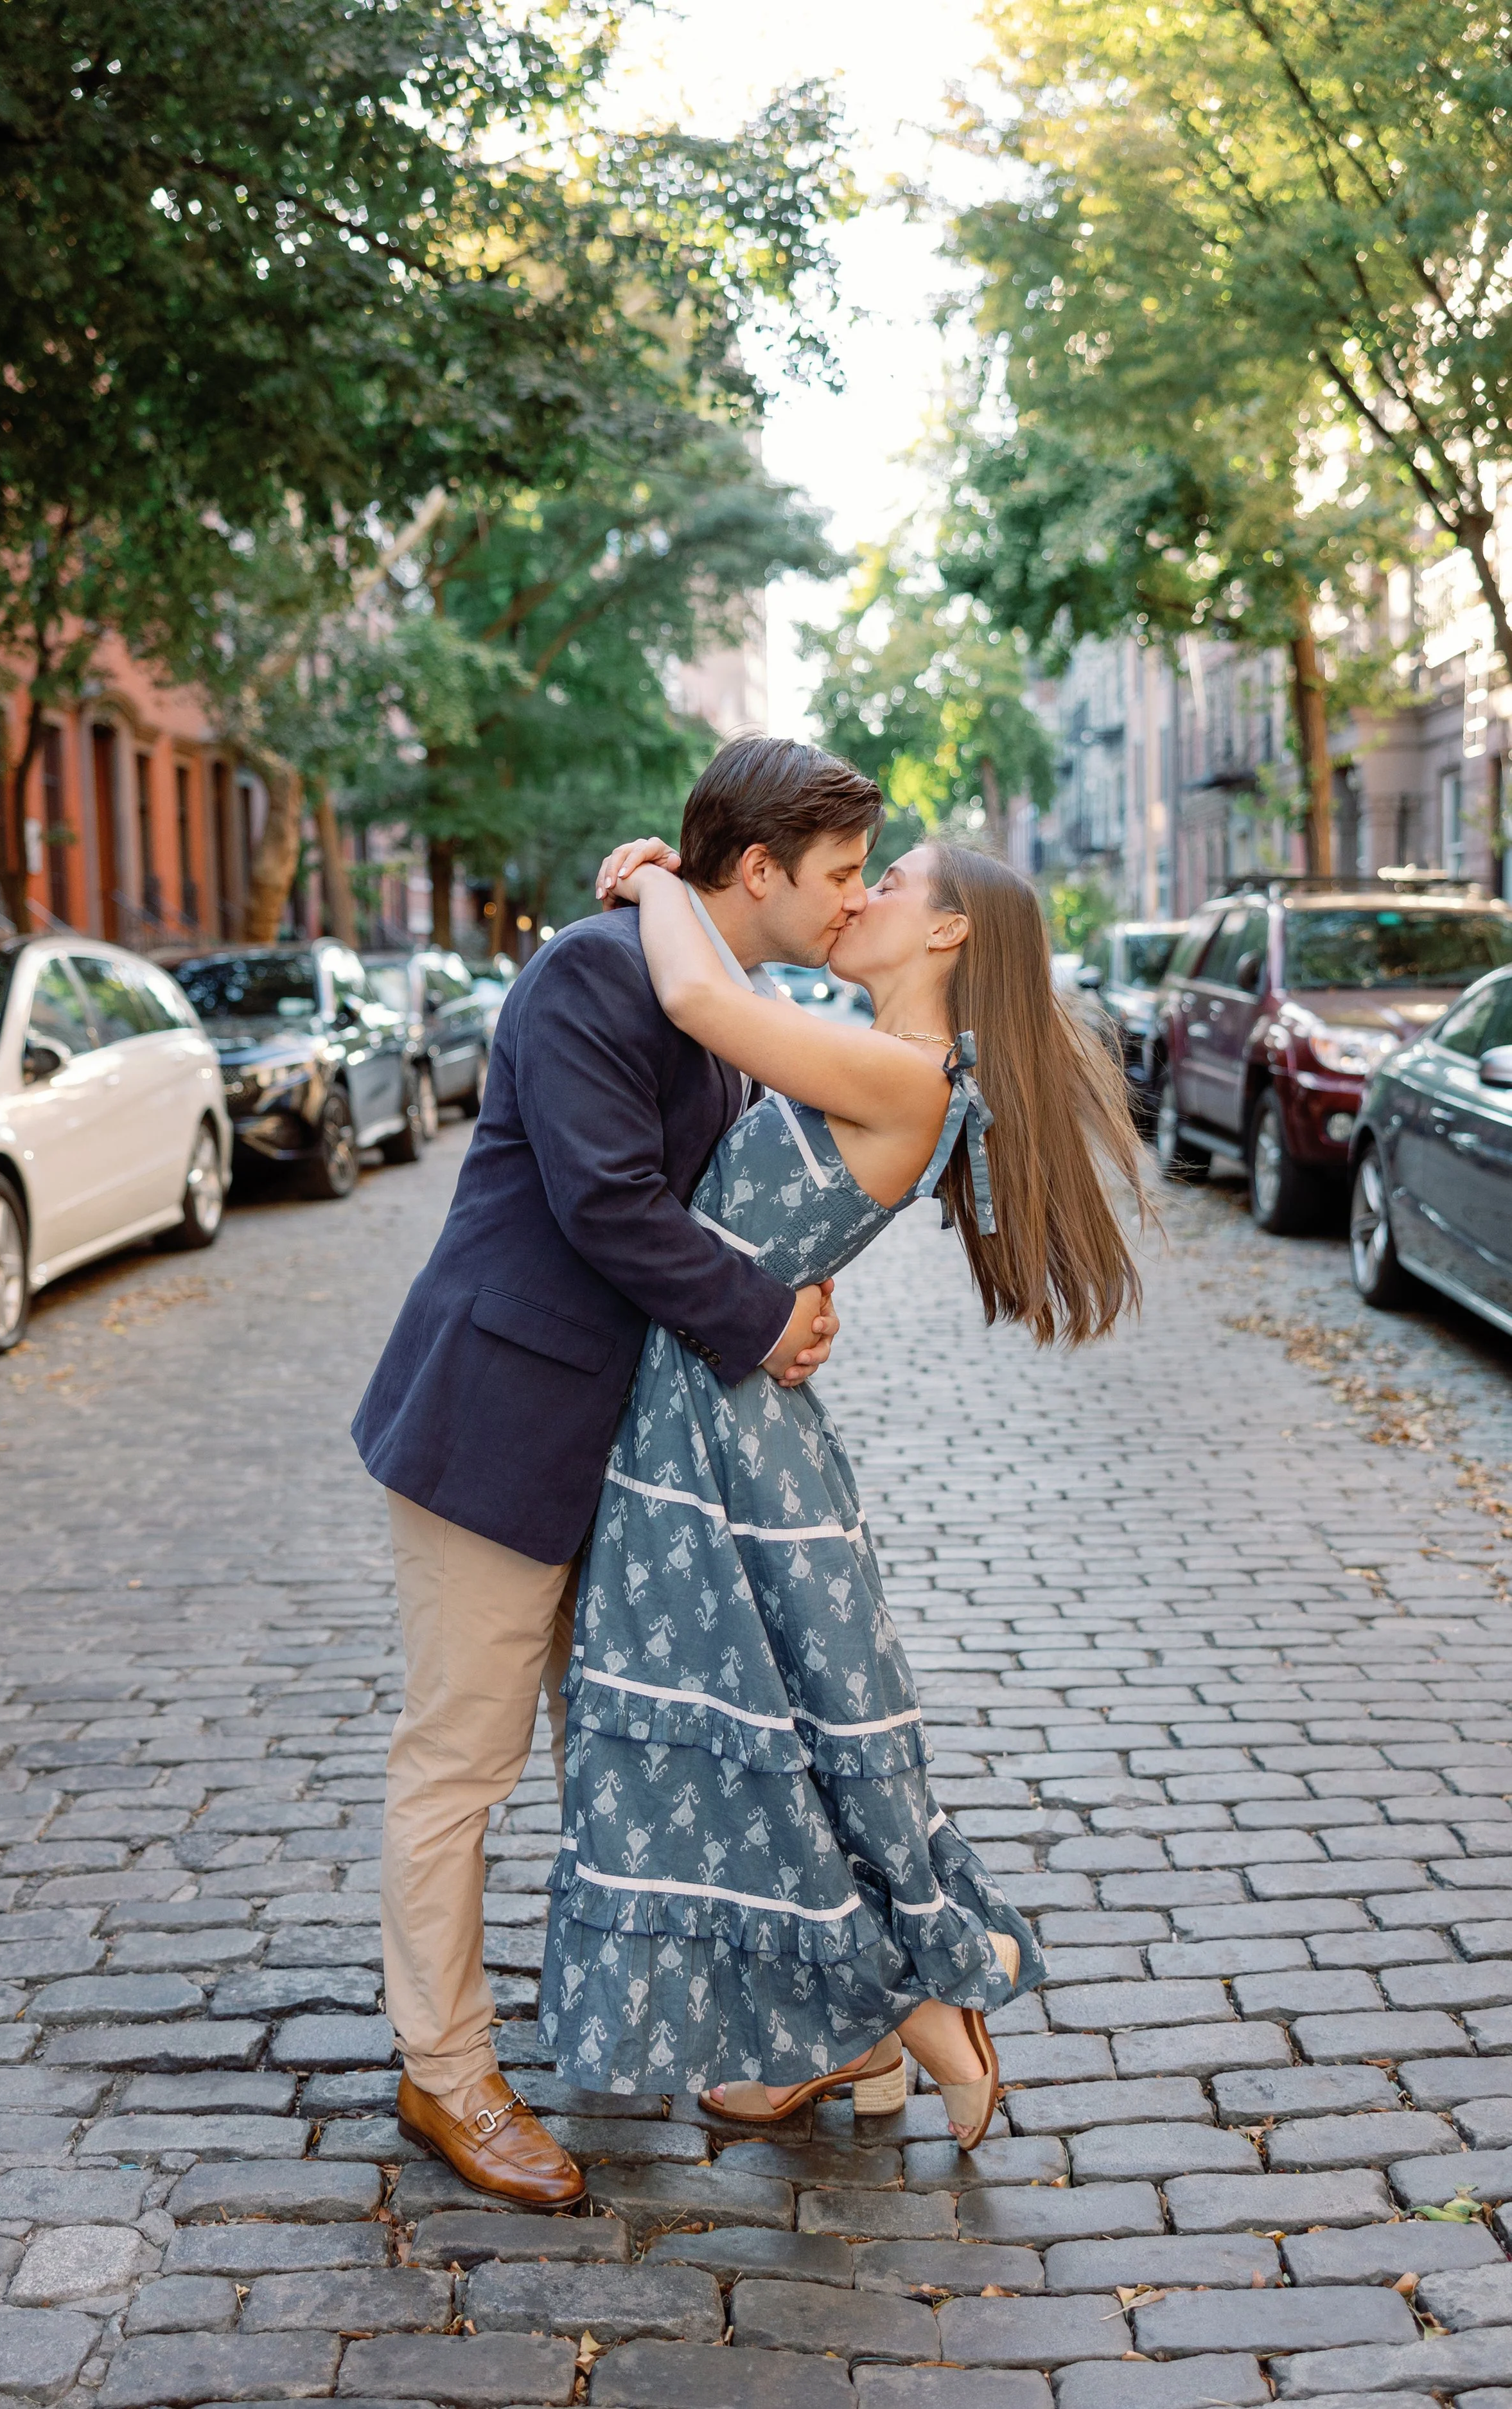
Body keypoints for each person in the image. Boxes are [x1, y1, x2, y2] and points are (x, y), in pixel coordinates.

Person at [538, 834, 1145, 2142]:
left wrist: (649, 880)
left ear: (947, 936)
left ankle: (911, 2010)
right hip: (720, 1406)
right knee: (778, 1730)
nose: (861, 895)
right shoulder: (885, 1052)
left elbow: (704, 1003)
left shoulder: (905, 1070)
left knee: (750, 1740)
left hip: (722, 1429)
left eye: (893, 880)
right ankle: (859, 2046)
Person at [351, 736, 884, 2205]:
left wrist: (787, 1288)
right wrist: (761, 1315)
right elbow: (607, 1201)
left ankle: (703, 2036)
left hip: (634, 1455)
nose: (850, 901)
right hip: (497, 1427)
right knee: (461, 1764)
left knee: (643, 1750)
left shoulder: (722, 991)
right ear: (758, 869)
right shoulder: (593, 971)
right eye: (836, 875)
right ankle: (444, 2074)